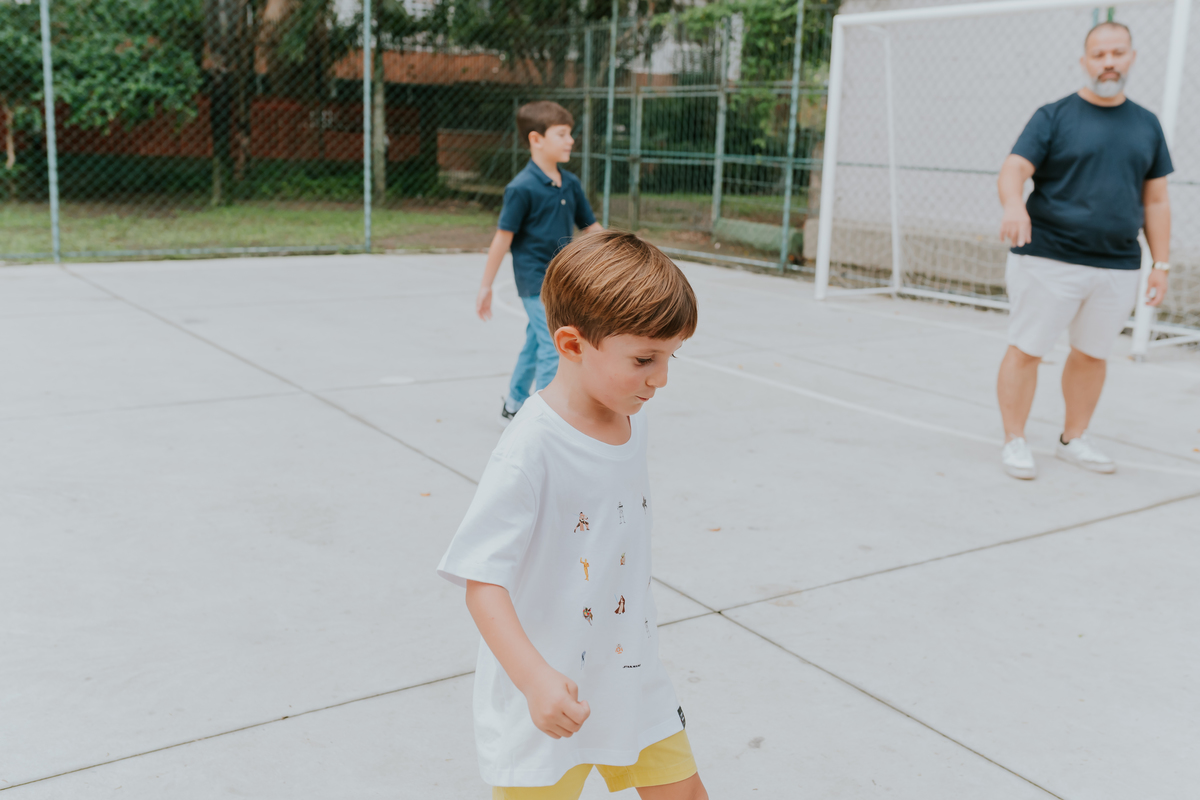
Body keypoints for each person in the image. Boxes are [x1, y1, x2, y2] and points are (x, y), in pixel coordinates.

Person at [438, 232, 707, 800]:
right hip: (548, 694)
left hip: (632, 673)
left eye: (668, 357)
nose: (661, 379)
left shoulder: (631, 417)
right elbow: (482, 583)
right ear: (571, 343)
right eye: (643, 359)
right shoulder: (530, 449)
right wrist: (535, 681)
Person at [996, 20, 1172, 480]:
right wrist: (1014, 204)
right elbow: (1014, 168)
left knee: (1093, 355)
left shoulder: (1147, 124)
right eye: (1099, 54)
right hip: (1047, 256)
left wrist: (1162, 263)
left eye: (1117, 53)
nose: (1108, 62)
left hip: (1116, 263)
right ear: (1085, 61)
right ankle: (1015, 440)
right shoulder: (1053, 116)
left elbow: (1155, 199)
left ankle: (1073, 439)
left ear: (1131, 57)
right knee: (1027, 349)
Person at [476, 101, 604, 427]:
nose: (570, 140)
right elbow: (502, 238)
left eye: (570, 133)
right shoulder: (520, 188)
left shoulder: (570, 184)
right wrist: (485, 286)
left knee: (536, 341)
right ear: (536, 139)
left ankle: (515, 402)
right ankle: (547, 420)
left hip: (563, 278)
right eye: (561, 134)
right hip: (533, 279)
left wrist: (620, 257)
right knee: (554, 344)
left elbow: (591, 228)